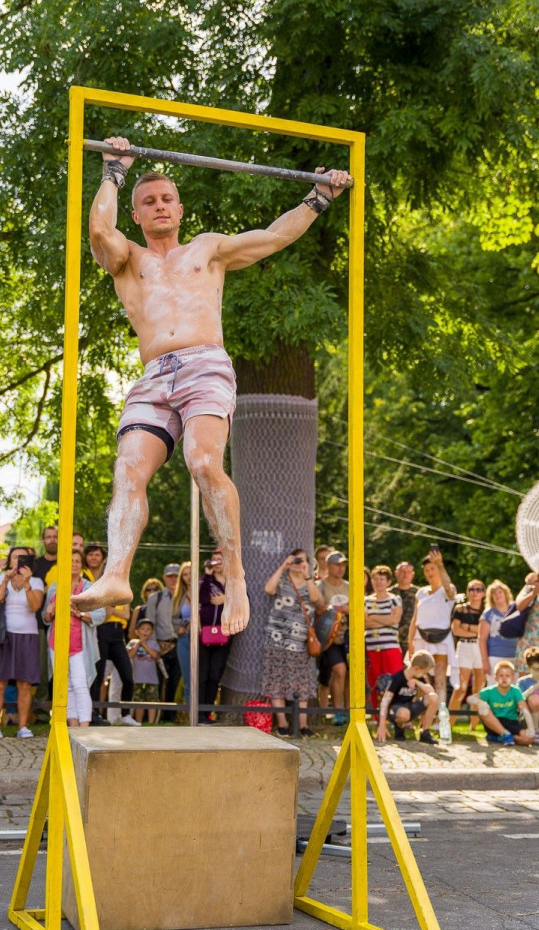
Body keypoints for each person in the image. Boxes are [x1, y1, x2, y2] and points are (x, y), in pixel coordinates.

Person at [73, 137, 351, 636]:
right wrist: (113, 171)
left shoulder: (208, 249)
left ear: (180, 209)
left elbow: (273, 237)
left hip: (204, 364)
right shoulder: (128, 258)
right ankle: (116, 574)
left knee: (202, 461)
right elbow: (98, 230)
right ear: (136, 214)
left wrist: (320, 197)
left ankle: (237, 574)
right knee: (128, 469)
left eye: (167, 199)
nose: (159, 206)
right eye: (148, 202)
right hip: (154, 375)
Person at [0, 547, 44, 738]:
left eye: (22, 557)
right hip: (4, 635)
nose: (18, 560)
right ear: (9, 561)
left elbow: (35, 606)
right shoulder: (1, 579)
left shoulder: (36, 581)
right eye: (15, 557)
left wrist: (27, 584)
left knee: (25, 684)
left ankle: (22, 726)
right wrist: (5, 581)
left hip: (28, 635)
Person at [262, 549, 321, 737]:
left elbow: (315, 598)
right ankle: (282, 724)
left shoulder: (311, 582)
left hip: (301, 642)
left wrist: (307, 575)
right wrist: (283, 566)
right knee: (276, 682)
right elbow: (268, 589)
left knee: (301, 684)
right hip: (277, 639)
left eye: (301, 560)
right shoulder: (282, 579)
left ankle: (303, 725)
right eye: (295, 560)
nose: (297, 563)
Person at [43, 550, 105, 727]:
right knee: (65, 685)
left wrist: (80, 614)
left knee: (80, 683)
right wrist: (49, 612)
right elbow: (45, 617)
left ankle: (84, 725)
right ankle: (73, 724)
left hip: (79, 644)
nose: (74, 564)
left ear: (82, 565)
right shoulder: (55, 586)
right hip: (57, 642)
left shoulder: (90, 588)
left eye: (78, 561)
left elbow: (100, 614)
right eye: (71, 561)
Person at [408, 549, 456, 701]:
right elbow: (415, 618)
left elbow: (449, 590)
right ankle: (423, 712)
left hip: (441, 639)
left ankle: (440, 713)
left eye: (432, 568)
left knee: (440, 681)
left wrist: (440, 564)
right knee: (422, 680)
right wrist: (410, 642)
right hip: (421, 638)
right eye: (426, 570)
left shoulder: (447, 590)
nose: (430, 572)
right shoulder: (421, 592)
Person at [198, 549, 232, 723]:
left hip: (224, 633)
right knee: (202, 674)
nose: (217, 563)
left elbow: (244, 600)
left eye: (220, 559)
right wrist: (208, 576)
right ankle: (198, 713)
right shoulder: (205, 581)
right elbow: (202, 599)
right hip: (205, 633)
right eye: (214, 560)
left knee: (215, 674)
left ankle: (208, 712)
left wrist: (226, 599)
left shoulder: (234, 583)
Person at [144, 563, 181, 722]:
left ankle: (170, 715)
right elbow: (150, 623)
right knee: (157, 682)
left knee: (175, 681)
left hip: (179, 645)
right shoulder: (155, 598)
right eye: (170, 576)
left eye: (176, 576)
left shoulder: (186, 597)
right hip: (160, 646)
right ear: (164, 578)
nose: (173, 580)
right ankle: (154, 717)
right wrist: (153, 647)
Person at [376, 651, 439, 744]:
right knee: (404, 713)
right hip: (396, 710)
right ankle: (399, 728)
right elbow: (385, 701)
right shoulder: (398, 677)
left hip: (410, 707)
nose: (425, 674)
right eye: (425, 672)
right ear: (417, 669)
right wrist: (382, 725)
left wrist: (416, 682)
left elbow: (431, 691)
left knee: (433, 697)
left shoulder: (419, 678)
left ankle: (425, 732)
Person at [363, 565, 402, 711]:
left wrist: (373, 616)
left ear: (388, 582)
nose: (378, 582)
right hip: (372, 646)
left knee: (394, 680)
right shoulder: (366, 600)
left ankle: (396, 711)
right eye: (376, 579)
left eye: (382, 579)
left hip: (391, 646)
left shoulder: (395, 599)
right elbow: (364, 623)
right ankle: (376, 714)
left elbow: (395, 620)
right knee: (375, 682)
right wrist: (386, 619)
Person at [469, 661, 536, 746]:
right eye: (501, 675)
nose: (504, 678)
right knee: (483, 709)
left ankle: (501, 738)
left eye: (507, 676)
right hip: (494, 722)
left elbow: (525, 710)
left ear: (512, 678)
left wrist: (531, 728)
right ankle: (504, 734)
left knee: (529, 739)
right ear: (495, 677)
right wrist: (479, 702)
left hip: (511, 722)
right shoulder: (489, 691)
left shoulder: (516, 691)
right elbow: (470, 699)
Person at [318, 551, 350, 726]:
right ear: (328, 566)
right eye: (337, 564)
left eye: (343, 565)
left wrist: (343, 609)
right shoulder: (321, 586)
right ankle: (337, 711)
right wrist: (338, 608)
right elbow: (318, 608)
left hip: (348, 637)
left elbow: (358, 608)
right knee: (339, 670)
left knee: (350, 674)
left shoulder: (349, 586)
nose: (341, 568)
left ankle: (350, 710)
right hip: (329, 639)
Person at [448, 579, 486, 728]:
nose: (475, 593)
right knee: (461, 687)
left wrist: (468, 627)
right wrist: (477, 631)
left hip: (481, 648)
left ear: (483, 593)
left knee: (479, 689)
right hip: (464, 647)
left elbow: (487, 632)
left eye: (478, 589)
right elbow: (456, 630)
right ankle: (449, 725)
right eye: (471, 589)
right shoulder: (460, 609)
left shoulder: (486, 611)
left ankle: (473, 726)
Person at [477, 580, 518, 684]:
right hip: (495, 657)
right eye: (494, 593)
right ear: (491, 597)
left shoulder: (516, 610)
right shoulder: (488, 614)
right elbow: (482, 639)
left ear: (505, 593)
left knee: (515, 689)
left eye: (500, 592)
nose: (498, 595)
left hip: (515, 656)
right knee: (496, 689)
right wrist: (485, 662)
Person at [128, 618, 163, 724]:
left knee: (152, 701)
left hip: (151, 679)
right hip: (137, 678)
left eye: (148, 629)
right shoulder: (132, 642)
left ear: (151, 632)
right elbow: (130, 655)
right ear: (137, 631)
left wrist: (144, 645)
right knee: (138, 702)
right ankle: (138, 722)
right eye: (142, 629)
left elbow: (155, 655)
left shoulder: (153, 643)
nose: (145, 631)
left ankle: (151, 723)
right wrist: (138, 644)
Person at [171, 561, 192, 706]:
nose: (188, 576)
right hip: (184, 639)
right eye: (185, 574)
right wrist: (179, 627)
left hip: (202, 639)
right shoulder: (179, 596)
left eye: (191, 573)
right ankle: (189, 711)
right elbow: (174, 618)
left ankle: (203, 713)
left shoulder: (205, 591)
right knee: (188, 678)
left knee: (202, 678)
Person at [392, 561, 417, 655]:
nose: (405, 575)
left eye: (408, 572)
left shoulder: (419, 593)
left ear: (413, 574)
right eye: (402, 571)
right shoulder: (388, 593)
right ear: (396, 573)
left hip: (413, 640)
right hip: (392, 641)